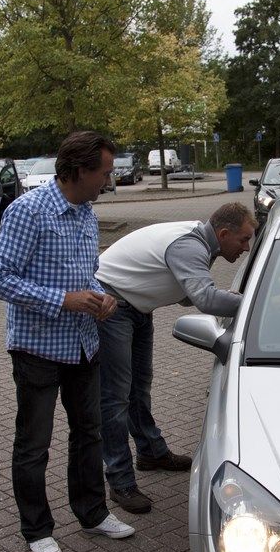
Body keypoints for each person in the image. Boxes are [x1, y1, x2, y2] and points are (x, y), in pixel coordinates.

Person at [0, 131, 135, 552]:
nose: (108, 181)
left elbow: (86, 274)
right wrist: (63, 300)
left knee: (89, 434)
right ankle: (36, 528)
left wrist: (100, 296)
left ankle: (92, 514)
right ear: (80, 170)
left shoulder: (87, 213)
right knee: (34, 444)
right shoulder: (27, 211)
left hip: (83, 345)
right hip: (38, 349)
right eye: (104, 172)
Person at [96, 202, 257, 513]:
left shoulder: (201, 243)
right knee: (116, 397)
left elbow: (187, 295)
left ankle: (151, 452)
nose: (246, 248)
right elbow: (204, 299)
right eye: (244, 239)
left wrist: (227, 297)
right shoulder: (190, 246)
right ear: (224, 234)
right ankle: (120, 481)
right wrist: (257, 302)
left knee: (138, 387)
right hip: (113, 305)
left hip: (136, 306)